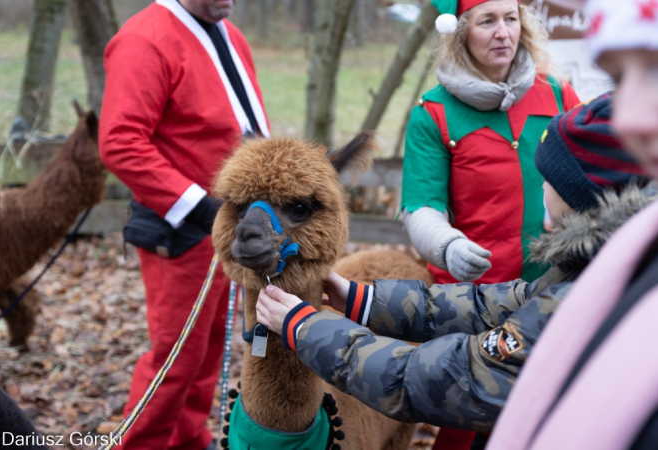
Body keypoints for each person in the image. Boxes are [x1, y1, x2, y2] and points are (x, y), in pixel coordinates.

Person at [254, 93, 653, 450]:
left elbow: (449, 379)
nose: (538, 193)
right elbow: (492, 305)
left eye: (547, 181)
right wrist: (366, 300)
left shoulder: (586, 301)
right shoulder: (600, 270)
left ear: (581, 195)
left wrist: (306, 329)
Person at [482, 1, 658, 448]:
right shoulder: (637, 256)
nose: (629, 118)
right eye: (618, 80)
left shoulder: (555, 94)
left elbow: (468, 374)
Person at [99, 0, 269, 448]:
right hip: (183, 230)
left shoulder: (231, 36)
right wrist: (202, 208)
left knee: (208, 351)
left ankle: (190, 439)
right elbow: (120, 142)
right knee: (175, 359)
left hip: (230, 229)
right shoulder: (144, 38)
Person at [403, 0, 580, 288]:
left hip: (551, 287)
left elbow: (595, 169)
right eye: (487, 22)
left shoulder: (557, 93)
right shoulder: (432, 114)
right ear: (461, 33)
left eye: (510, 19)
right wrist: (447, 246)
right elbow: (422, 208)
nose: (503, 33)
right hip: (470, 297)